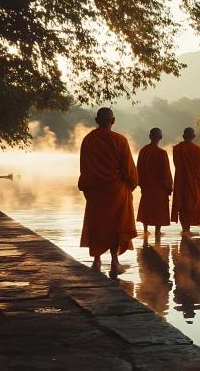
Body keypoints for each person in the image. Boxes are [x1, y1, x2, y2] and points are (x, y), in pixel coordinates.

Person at [78, 107, 138, 275]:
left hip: (95, 192)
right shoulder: (120, 140)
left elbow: (85, 167)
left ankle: (96, 261)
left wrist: (88, 186)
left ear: (96, 120)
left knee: (97, 224)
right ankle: (115, 262)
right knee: (116, 226)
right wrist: (131, 186)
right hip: (116, 192)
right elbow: (129, 171)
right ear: (113, 120)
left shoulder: (88, 140)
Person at [136, 128, 173, 236]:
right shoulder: (162, 153)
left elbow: (139, 169)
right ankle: (157, 231)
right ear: (160, 137)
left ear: (149, 136)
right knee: (159, 207)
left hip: (147, 185)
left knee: (146, 206)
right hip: (160, 187)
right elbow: (166, 172)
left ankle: (145, 231)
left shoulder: (143, 151)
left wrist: (140, 183)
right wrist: (168, 187)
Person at [171, 127, 200, 234]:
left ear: (183, 136)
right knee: (192, 203)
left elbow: (177, 165)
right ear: (194, 137)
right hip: (195, 183)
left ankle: (184, 230)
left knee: (182, 205)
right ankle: (187, 231)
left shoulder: (178, 149)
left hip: (181, 183)